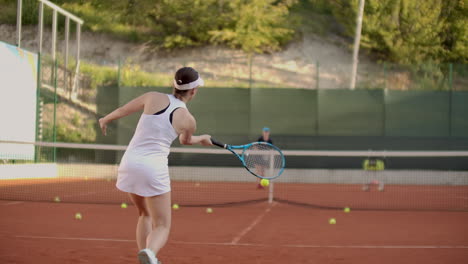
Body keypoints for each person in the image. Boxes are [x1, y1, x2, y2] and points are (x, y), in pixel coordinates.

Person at [99, 67, 212, 264]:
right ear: (193, 91)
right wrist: (202, 138)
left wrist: (105, 118)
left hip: (129, 163)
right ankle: (150, 252)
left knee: (144, 214)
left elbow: (123, 110)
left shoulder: (152, 97)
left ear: (174, 85)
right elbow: (186, 140)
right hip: (153, 168)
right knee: (163, 225)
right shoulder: (188, 120)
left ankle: (146, 254)